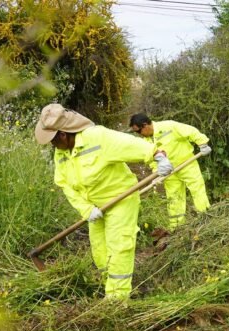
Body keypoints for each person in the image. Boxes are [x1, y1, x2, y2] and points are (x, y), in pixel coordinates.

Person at [35, 104, 173, 299]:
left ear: (63, 134)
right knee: (100, 251)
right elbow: (65, 185)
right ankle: (110, 284)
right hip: (94, 207)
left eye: (53, 140)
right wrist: (86, 209)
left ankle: (117, 300)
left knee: (119, 246)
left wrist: (158, 157)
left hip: (120, 199)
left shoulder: (97, 137)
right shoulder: (61, 153)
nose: (52, 145)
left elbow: (131, 144)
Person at [129, 113, 211, 229]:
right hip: (169, 173)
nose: (139, 135)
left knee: (197, 190)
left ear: (145, 125)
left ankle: (205, 218)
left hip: (186, 164)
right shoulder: (146, 142)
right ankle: (177, 227)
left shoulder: (168, 126)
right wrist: (156, 173)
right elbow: (152, 159)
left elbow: (190, 131)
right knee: (174, 198)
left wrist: (202, 143)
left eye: (138, 131)